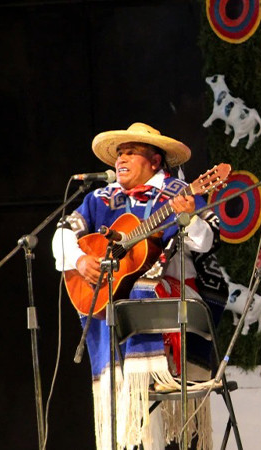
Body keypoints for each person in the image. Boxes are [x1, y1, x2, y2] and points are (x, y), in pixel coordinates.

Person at [51, 122, 220, 450]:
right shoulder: (101, 197)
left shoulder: (176, 193)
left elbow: (206, 242)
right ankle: (128, 426)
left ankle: (147, 381)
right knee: (111, 297)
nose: (121, 159)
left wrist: (190, 218)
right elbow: (61, 233)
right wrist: (78, 260)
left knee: (143, 285)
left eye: (131, 152)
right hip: (116, 303)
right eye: (119, 153)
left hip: (169, 295)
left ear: (155, 161)